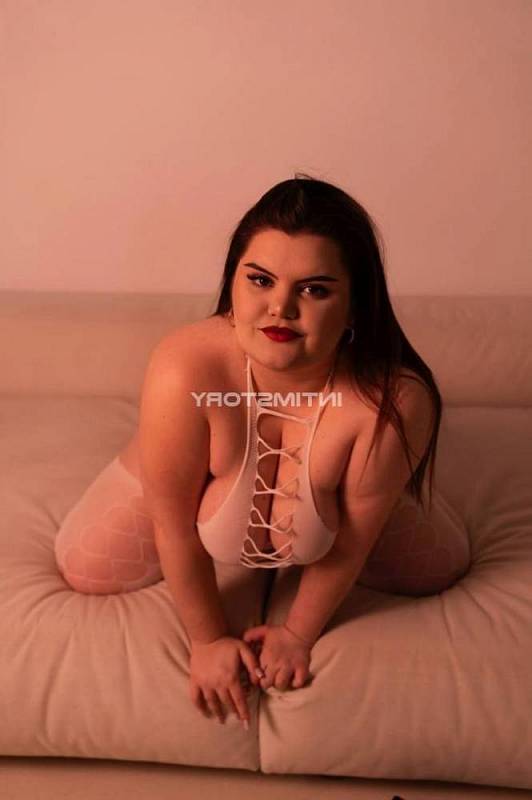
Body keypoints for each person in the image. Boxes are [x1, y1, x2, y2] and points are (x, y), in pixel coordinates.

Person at [54, 174, 471, 730]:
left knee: (437, 569)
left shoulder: (392, 401)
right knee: (87, 568)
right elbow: (173, 525)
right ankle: (174, 460)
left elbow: (351, 542)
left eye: (315, 290)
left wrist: (297, 634)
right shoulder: (185, 366)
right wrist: (206, 640)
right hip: (187, 455)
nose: (280, 308)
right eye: (260, 280)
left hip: (357, 469)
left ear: (355, 307)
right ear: (233, 284)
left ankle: (369, 482)